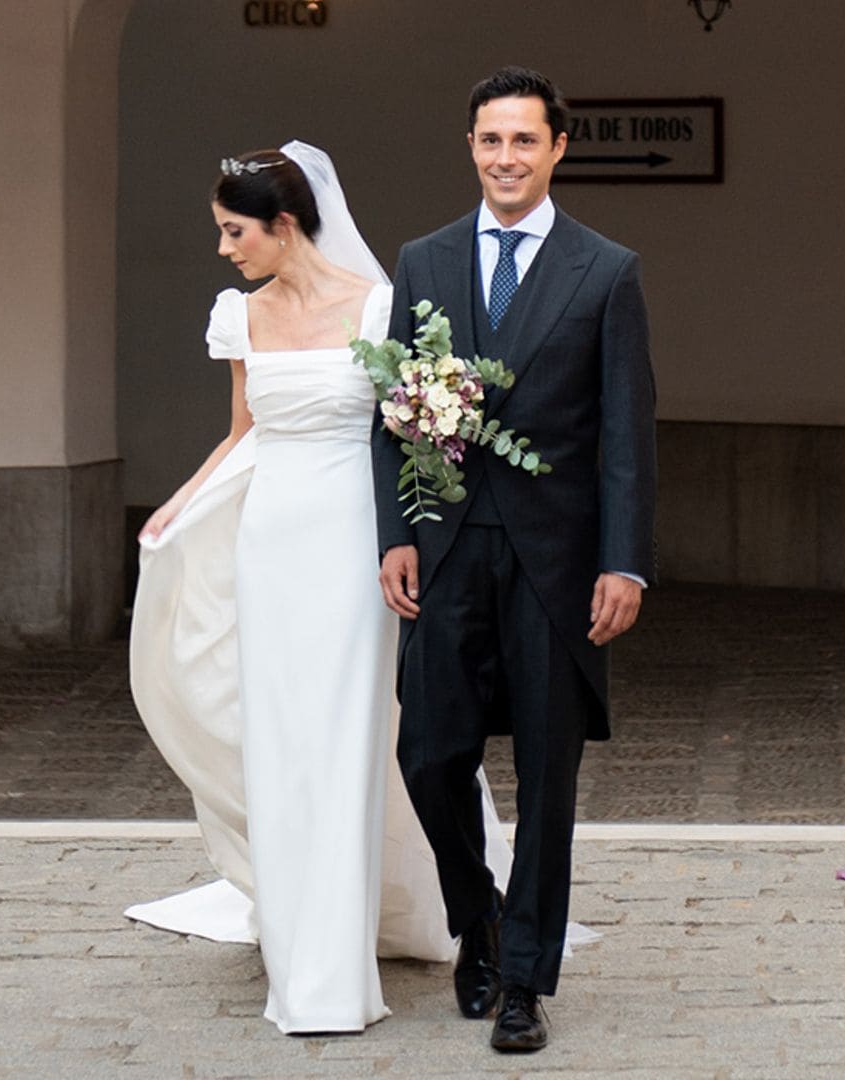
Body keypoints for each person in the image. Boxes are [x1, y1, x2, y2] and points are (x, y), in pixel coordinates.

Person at [124, 141, 519, 1035]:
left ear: (285, 224)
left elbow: (412, 436)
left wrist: (412, 536)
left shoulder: (378, 306)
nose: (226, 249)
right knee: (282, 737)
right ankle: (302, 946)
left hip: (355, 540)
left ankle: (351, 960)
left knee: (353, 734)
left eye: (236, 231)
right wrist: (175, 510)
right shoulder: (241, 316)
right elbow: (240, 434)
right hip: (273, 539)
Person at [374, 66, 657, 1054]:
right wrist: (396, 531)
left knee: (547, 772)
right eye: (492, 142)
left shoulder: (605, 271)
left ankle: (524, 982)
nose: (507, 158)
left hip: (557, 562)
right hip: (447, 551)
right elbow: (393, 413)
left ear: (557, 149)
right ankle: (479, 914)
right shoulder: (424, 260)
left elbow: (627, 434)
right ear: (471, 148)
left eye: (525, 142)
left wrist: (624, 562)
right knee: (427, 753)